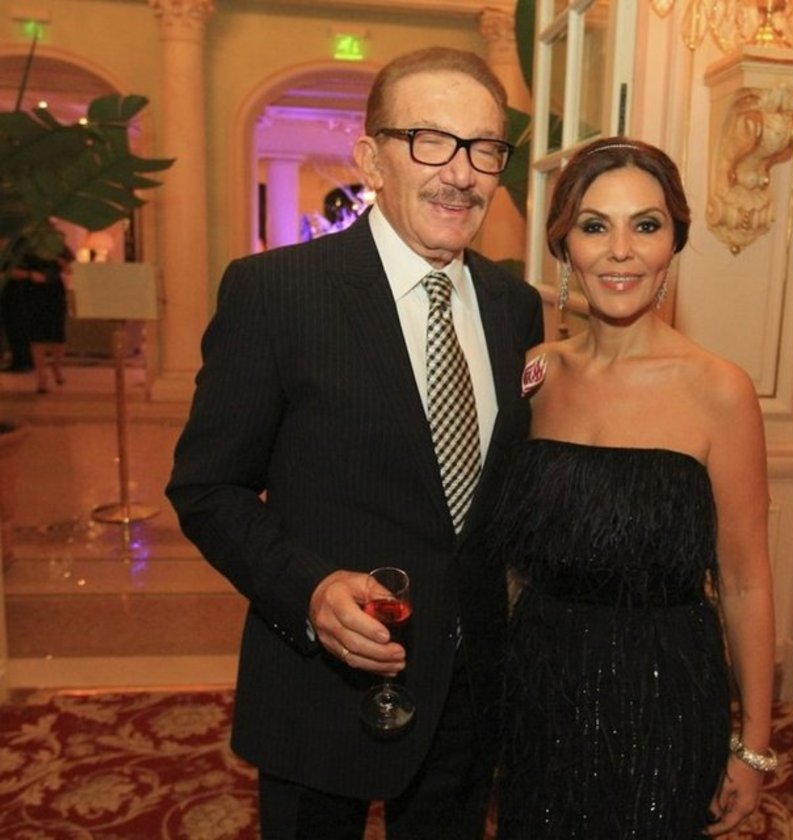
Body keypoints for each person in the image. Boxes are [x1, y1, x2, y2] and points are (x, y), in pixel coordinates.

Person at [166, 46, 543, 840]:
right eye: (430, 141)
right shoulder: (275, 294)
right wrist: (307, 589)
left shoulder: (516, 307)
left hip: (467, 689)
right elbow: (208, 489)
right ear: (371, 158)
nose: (462, 173)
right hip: (319, 688)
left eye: (485, 148)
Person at [489, 136, 776, 838]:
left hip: (664, 694)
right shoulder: (536, 372)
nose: (621, 251)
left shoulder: (720, 389)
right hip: (537, 688)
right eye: (595, 226)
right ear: (565, 246)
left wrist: (754, 745)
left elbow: (745, 580)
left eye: (645, 225)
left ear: (674, 241)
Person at [27, 246, 74, 393]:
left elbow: (70, 268)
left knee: (58, 335)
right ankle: (42, 378)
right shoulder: (29, 247)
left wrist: (60, 261)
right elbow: (14, 269)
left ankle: (56, 366)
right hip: (34, 293)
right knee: (37, 336)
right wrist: (30, 274)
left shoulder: (58, 246)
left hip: (55, 293)